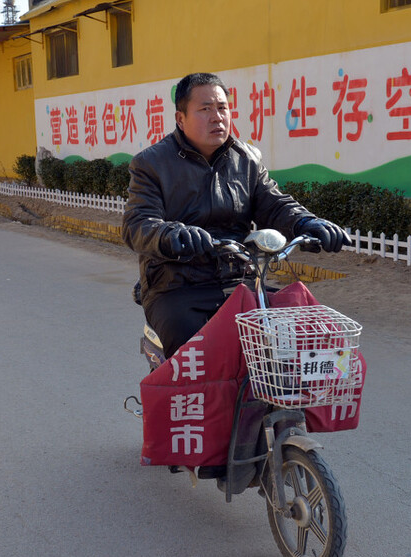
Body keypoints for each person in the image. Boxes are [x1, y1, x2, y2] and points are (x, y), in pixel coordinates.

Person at [123, 72, 348, 358]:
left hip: (239, 278)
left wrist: (307, 222)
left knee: (293, 335)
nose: (217, 117)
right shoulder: (151, 164)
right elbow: (137, 223)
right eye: (205, 109)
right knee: (195, 356)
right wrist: (171, 234)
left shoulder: (247, 158)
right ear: (180, 119)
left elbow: (275, 204)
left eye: (222, 107)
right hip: (176, 285)